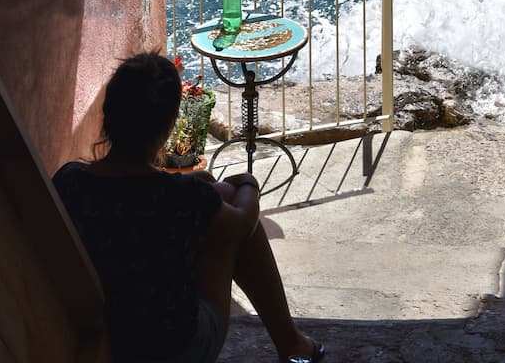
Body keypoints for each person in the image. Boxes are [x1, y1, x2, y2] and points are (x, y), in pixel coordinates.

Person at [54, 51, 325, 363]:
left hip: (99, 333)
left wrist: (208, 190)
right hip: (174, 346)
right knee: (226, 228)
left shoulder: (69, 181)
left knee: (213, 198)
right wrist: (248, 183)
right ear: (168, 126)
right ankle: (291, 343)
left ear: (109, 114)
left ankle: (293, 343)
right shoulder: (180, 198)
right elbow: (243, 223)